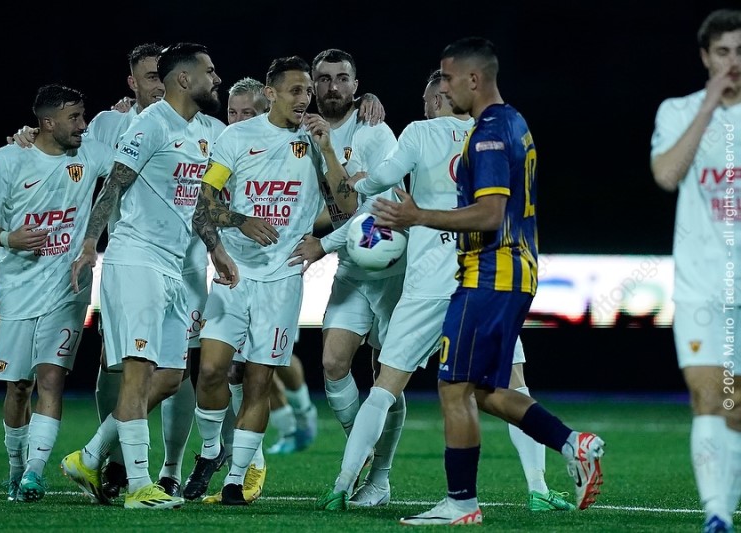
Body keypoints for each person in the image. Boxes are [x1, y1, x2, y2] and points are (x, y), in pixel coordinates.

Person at [369, 37, 605, 526]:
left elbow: (490, 213)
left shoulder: (489, 133)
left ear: (473, 79)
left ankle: (461, 503)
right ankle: (571, 443)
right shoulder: (514, 121)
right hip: (510, 272)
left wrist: (418, 215)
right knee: (478, 387)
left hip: (491, 273)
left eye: (449, 77)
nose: (444, 87)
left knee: (453, 386)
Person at [315, 69, 574, 512]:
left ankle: (341, 486)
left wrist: (357, 179)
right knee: (515, 385)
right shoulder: (496, 135)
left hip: (427, 284)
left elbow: (378, 183)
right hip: (482, 280)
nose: (423, 107)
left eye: (425, 99)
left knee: (385, 387)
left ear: (438, 99)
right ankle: (538, 489)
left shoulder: (419, 133)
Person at [59, 42, 238, 510]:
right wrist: (89, 244)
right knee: (139, 372)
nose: (216, 78)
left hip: (175, 267)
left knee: (172, 376)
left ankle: (90, 456)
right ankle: (139, 485)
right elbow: (114, 184)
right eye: (210, 71)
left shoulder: (199, 132)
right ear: (184, 79)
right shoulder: (150, 124)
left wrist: (216, 250)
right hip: (137, 259)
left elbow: (194, 203)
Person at [188, 55, 332, 506]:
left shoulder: (316, 141)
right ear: (272, 94)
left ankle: (236, 480)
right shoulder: (236, 138)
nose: (305, 98)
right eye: (296, 90)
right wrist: (241, 221)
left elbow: (346, 207)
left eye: (308, 91)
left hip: (283, 279)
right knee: (211, 369)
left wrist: (329, 153)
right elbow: (203, 205)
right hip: (234, 273)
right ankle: (210, 451)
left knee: (258, 379)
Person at [0, 84, 114, 502]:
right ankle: (16, 469)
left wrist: (130, 110)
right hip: (19, 290)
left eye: (83, 115)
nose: (83, 125)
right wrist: (10, 238)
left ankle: (34, 472)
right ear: (47, 123)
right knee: (19, 386)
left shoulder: (90, 153)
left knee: (52, 378)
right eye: (74, 118)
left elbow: (134, 159)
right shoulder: (10, 158)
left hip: (68, 289)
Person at [287, 50, 405, 479]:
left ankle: (380, 477)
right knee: (333, 364)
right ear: (312, 85)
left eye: (342, 78)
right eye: (324, 78)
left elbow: (372, 212)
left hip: (392, 270)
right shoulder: (300, 131)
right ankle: (361, 451)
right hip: (352, 270)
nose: (333, 86)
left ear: (356, 85)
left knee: (385, 375)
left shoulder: (375, 131)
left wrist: (321, 243)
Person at [650, 9, 741, 533]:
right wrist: (709, 105)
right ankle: (717, 514)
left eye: (740, 52)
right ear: (706, 57)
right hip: (701, 284)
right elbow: (667, 173)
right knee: (708, 395)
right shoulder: (679, 110)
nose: (732, 62)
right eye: (723, 52)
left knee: (735, 405)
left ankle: (724, 505)